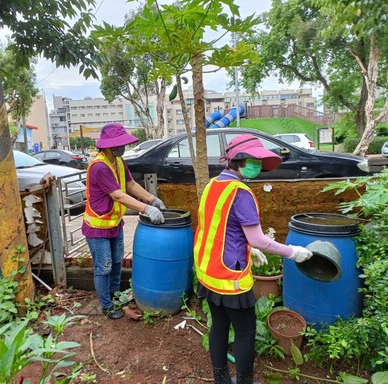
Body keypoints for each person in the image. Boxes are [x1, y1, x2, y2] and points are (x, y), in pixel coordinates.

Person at [193, 134, 313, 384]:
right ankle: (245, 381)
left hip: (208, 271)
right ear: (237, 160)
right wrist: (293, 252)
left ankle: (222, 380)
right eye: (252, 160)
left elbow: (220, 228)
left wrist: (250, 248)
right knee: (245, 331)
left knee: (219, 326)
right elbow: (258, 238)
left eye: (259, 161)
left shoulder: (214, 184)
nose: (257, 165)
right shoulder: (241, 193)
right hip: (231, 278)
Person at [82, 123, 165, 319]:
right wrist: (146, 208)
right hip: (97, 227)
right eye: (120, 144)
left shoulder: (118, 161)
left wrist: (151, 198)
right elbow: (118, 196)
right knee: (104, 267)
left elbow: (130, 184)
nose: (124, 147)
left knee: (117, 262)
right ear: (110, 146)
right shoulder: (100, 166)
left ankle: (114, 296)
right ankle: (106, 305)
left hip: (114, 224)